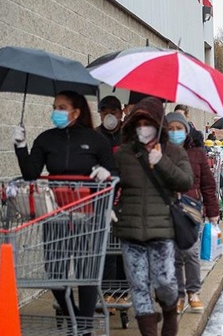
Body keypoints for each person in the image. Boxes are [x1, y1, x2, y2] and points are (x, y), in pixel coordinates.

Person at [12, 90, 116, 333]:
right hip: (55, 214)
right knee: (55, 272)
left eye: (61, 107)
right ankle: (75, 317)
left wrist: (106, 174)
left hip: (86, 214)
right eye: (54, 107)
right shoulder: (46, 139)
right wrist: (21, 146)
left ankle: (85, 328)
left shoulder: (96, 139)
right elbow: (31, 173)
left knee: (85, 272)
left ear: (76, 112)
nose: (56, 111)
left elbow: (114, 172)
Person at [113, 97, 193, 336]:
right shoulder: (124, 154)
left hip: (162, 230)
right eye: (138, 123)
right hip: (130, 231)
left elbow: (186, 181)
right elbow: (113, 182)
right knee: (138, 287)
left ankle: (169, 311)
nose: (143, 128)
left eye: (148, 123)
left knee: (166, 282)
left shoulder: (175, 152)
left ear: (159, 124)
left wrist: (162, 162)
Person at [166, 113, 219, 314]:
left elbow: (208, 184)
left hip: (192, 209)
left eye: (178, 128)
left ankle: (193, 292)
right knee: (173, 254)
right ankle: (179, 294)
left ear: (186, 131)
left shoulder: (197, 153)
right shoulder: (160, 151)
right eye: (170, 128)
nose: (174, 133)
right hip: (169, 208)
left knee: (190, 252)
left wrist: (213, 212)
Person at [96, 95, 126, 314]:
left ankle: (123, 292)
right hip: (103, 200)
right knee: (106, 247)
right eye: (104, 112)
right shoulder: (95, 136)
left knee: (124, 247)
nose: (109, 116)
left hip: (126, 198)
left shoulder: (129, 136)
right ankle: (107, 291)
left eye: (113, 112)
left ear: (121, 112)